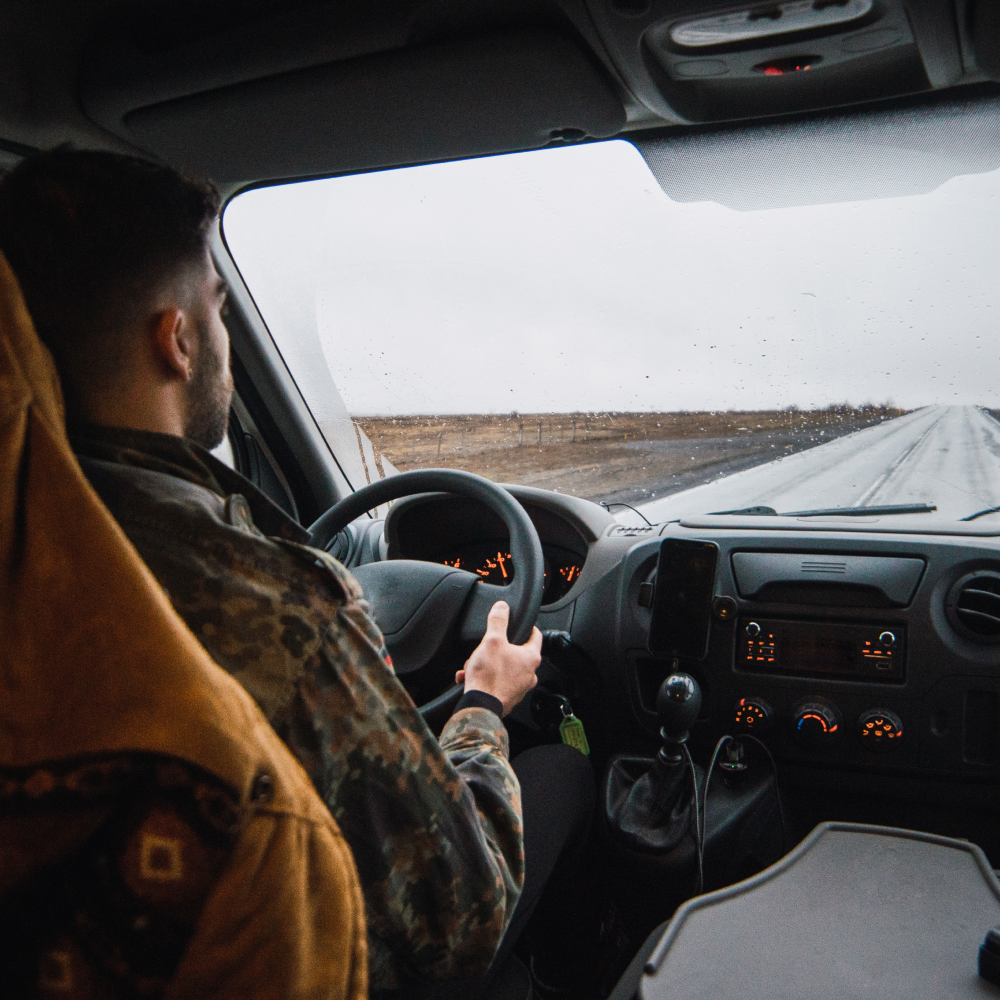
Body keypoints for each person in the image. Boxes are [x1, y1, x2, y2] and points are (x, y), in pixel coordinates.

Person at [0, 147, 594, 994]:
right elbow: (460, 911)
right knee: (564, 771)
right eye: (218, 307)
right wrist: (482, 703)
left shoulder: (33, 533)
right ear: (175, 340)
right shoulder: (280, 606)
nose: (223, 333)